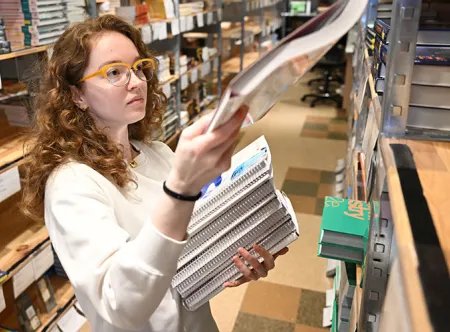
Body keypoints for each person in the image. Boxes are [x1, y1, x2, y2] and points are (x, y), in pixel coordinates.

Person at [21, 15, 288, 332]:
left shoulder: (158, 153)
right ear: (77, 95)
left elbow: (185, 252)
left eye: (138, 68)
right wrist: (180, 189)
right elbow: (120, 303)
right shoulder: (71, 183)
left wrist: (229, 259)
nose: (136, 81)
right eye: (114, 72)